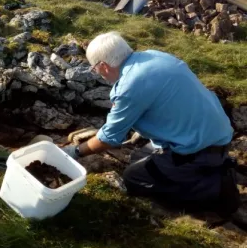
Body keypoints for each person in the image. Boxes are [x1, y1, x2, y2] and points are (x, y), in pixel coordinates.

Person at [62, 32, 239, 215]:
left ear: (103, 66)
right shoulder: (155, 56)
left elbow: (109, 139)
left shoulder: (130, 86)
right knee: (138, 157)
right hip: (217, 133)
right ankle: (203, 168)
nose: (97, 73)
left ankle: (214, 188)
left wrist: (74, 152)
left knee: (134, 178)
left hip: (199, 149)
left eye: (94, 69)